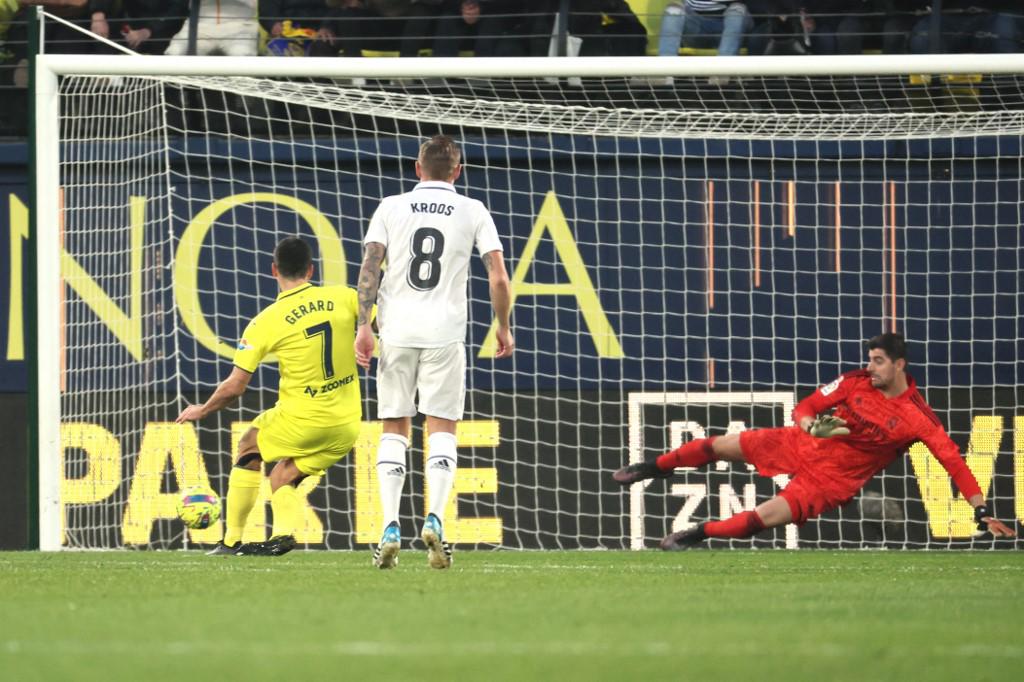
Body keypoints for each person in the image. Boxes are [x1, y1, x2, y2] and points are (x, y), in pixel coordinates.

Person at [613, 332, 1016, 549]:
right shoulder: (856, 382)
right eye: (870, 358)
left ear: (899, 365)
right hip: (799, 443)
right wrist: (807, 426)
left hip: (832, 482)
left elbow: (953, 462)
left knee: (760, 520)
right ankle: (652, 468)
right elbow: (808, 404)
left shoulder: (918, 418)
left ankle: (697, 534)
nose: (870, 366)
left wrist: (980, 511)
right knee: (720, 444)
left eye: (878, 361)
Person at [354, 134, 513, 570]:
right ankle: (437, 521)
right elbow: (498, 277)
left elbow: (370, 267)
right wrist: (502, 325)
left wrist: (363, 325)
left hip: (397, 330)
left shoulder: (391, 206)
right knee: (442, 426)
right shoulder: (473, 209)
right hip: (445, 332)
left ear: (416, 168)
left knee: (394, 426)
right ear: (457, 171)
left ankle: (389, 526)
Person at [176, 237, 363, 556]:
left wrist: (203, 409)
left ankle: (231, 540)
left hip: (303, 420)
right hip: (347, 425)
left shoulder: (265, 322)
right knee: (283, 475)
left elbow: (235, 387)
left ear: (273, 270)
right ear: (311, 269)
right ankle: (282, 535)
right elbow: (384, 318)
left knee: (249, 444)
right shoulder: (345, 298)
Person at [657, 0, 753, 58]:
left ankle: (723, 72)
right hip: (696, 27)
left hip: (731, 27)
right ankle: (664, 72)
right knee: (673, 10)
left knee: (737, 10)